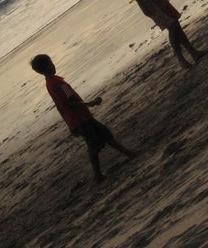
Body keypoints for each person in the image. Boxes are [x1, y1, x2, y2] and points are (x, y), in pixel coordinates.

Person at [29, 53, 134, 183]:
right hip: (82, 118)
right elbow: (70, 101)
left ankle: (127, 154)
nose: (53, 65)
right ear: (46, 68)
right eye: (50, 64)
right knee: (95, 143)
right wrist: (90, 103)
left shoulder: (49, 84)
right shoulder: (59, 83)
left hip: (77, 119)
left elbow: (60, 106)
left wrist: (69, 124)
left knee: (103, 135)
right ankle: (99, 174)